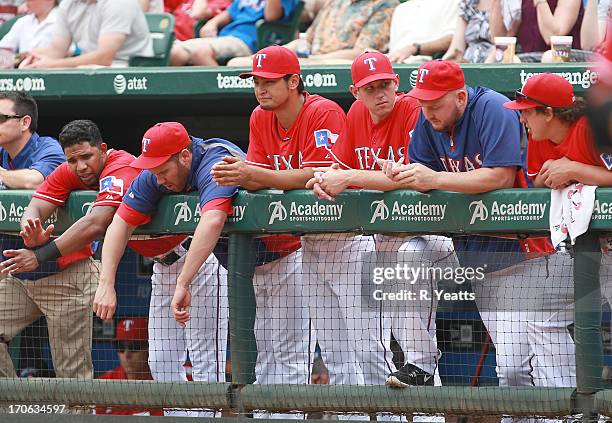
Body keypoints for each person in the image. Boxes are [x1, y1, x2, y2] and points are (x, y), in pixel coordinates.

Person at [381, 60, 575, 392]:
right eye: (423, 103)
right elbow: (421, 177)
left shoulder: (493, 108)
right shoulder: (430, 119)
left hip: (522, 253)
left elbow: (500, 176)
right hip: (474, 255)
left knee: (529, 365)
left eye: (436, 103)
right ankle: (420, 365)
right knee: (512, 373)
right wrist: (400, 176)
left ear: (459, 97)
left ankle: (572, 415)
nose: (428, 112)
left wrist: (436, 178)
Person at [210, 46, 346, 417]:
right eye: (256, 81)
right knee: (274, 349)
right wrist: (244, 175)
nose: (261, 89)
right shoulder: (260, 116)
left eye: (269, 81)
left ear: (294, 81)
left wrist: (256, 175)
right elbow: (256, 172)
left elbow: (319, 175)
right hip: (300, 244)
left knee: (350, 352)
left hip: (346, 241)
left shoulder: (323, 112)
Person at [305, 52, 454, 390]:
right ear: (355, 92)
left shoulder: (412, 110)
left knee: (414, 349)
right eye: (370, 88)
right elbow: (341, 170)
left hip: (431, 237)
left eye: (385, 84)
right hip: (383, 240)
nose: (380, 94)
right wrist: (323, 179)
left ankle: (430, 410)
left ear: (397, 83)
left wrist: (350, 177)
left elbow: (413, 178)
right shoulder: (357, 113)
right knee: (401, 343)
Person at [94, 122, 234, 416]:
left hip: (201, 261)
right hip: (164, 268)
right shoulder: (152, 178)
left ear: (184, 156)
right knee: (161, 361)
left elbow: (212, 221)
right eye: (153, 170)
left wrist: (184, 282)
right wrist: (107, 282)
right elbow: (119, 224)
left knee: (206, 363)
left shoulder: (212, 160)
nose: (157, 178)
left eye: (162, 170)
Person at [0, 119, 138, 382]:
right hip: (27, 279)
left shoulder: (120, 164)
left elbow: (97, 223)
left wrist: (39, 254)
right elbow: (36, 203)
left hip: (72, 275)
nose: (80, 166)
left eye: (86, 156)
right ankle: (11, 409)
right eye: (73, 160)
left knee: (71, 377)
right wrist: (30, 224)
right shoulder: (68, 169)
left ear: (103, 149)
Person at [228, 0, 399, 66]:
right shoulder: (335, 2)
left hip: (344, 65)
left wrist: (310, 60)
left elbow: (362, 53)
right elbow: (306, 41)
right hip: (311, 59)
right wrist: (277, 54)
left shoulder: (384, 4)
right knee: (237, 63)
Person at [20, 0, 153, 68]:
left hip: (129, 69)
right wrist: (33, 58)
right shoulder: (68, 4)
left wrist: (52, 64)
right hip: (88, 67)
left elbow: (104, 58)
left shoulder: (118, 2)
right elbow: (56, 51)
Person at [169, 0, 299, 66]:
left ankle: (222, 92)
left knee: (200, 52)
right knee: (175, 53)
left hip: (248, 41)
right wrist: (213, 23)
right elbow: (230, 12)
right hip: (225, 36)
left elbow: (271, 16)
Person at [96, 317, 163, 416]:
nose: (127, 354)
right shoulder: (105, 383)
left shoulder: (162, 380)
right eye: (121, 347)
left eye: (134, 346)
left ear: (149, 348)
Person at [489, 0, 584, 61]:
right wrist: (497, 2)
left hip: (561, 65)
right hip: (526, 67)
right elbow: (499, 38)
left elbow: (552, 35)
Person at [387, 0, 459, 64]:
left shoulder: (452, 2)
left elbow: (454, 39)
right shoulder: (400, 9)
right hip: (396, 67)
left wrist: (414, 49)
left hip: (429, 66)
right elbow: (394, 50)